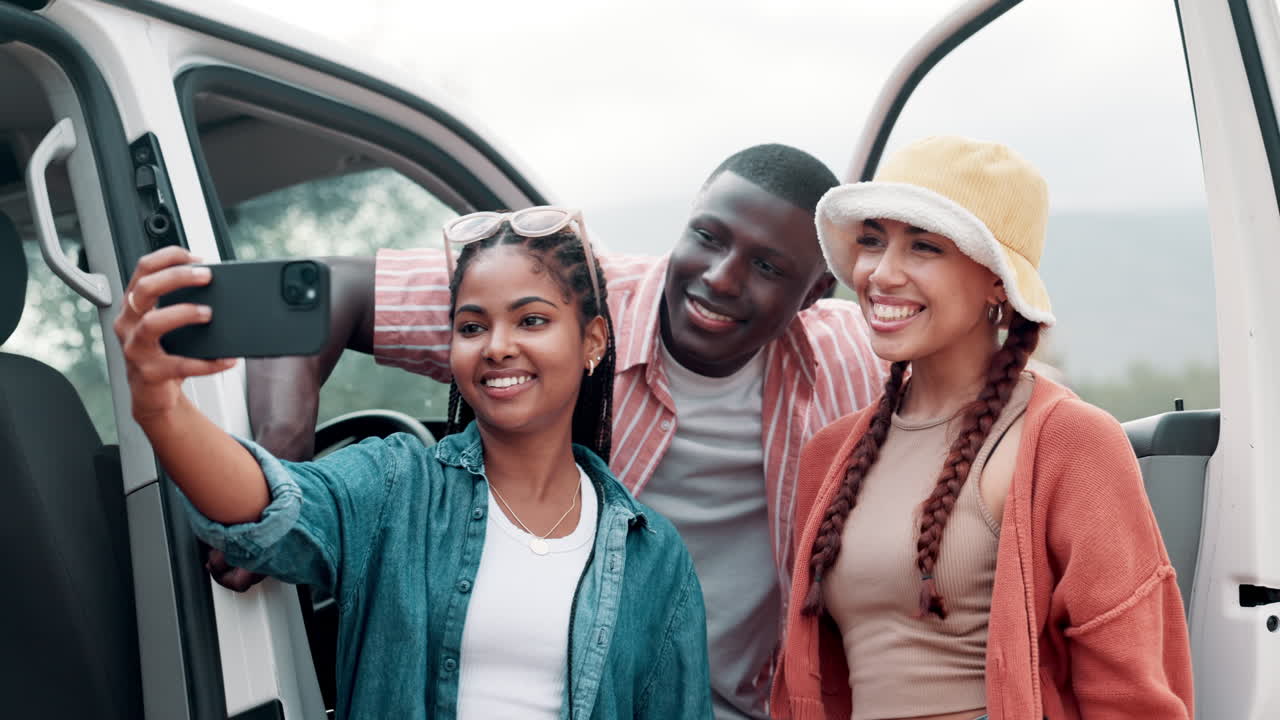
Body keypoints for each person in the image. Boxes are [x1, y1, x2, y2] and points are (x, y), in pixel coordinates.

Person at [222, 143, 886, 720]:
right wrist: (281, 463)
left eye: (769, 267)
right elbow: (309, 290)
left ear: (814, 292)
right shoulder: (563, 303)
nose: (721, 278)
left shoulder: (854, 359)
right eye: (708, 237)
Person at [113, 207, 712, 719]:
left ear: (593, 341)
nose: (498, 345)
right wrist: (161, 407)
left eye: (531, 320)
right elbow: (265, 505)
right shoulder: (398, 484)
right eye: (472, 326)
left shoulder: (655, 558)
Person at [772, 136, 1194, 720]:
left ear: (998, 282)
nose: (881, 273)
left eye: (924, 247)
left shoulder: (1068, 443)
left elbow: (1129, 698)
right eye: (873, 241)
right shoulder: (831, 456)